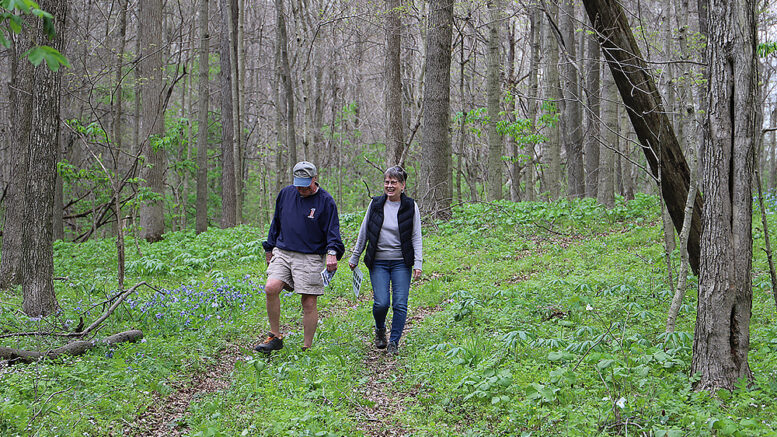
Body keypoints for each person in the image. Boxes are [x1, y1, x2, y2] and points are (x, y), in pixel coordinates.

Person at [255, 161, 344, 353]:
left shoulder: (325, 201)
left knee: (309, 302)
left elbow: (333, 231)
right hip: (284, 251)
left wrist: (332, 253)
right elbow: (276, 223)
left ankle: (307, 347)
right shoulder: (286, 194)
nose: (301, 188)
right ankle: (275, 336)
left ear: (314, 179)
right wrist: (269, 248)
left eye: (305, 184)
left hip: (311, 255)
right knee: (271, 288)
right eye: (298, 183)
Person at [349, 166, 422, 354]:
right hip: (378, 261)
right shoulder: (375, 204)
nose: (389, 186)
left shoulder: (410, 206)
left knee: (400, 303)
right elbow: (364, 231)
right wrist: (355, 256)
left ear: (402, 185)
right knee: (381, 303)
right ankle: (380, 329)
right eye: (387, 182)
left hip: (401, 262)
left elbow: (416, 236)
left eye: (394, 183)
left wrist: (418, 263)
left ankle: (394, 342)